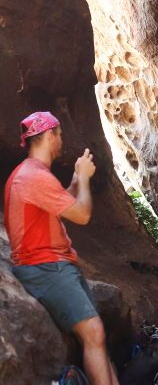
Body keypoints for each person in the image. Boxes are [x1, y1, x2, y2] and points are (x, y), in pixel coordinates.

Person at [3, 111, 119, 385]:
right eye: (60, 134)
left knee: (97, 335)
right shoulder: (33, 176)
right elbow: (81, 215)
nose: (62, 140)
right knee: (94, 332)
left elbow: (59, 204)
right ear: (49, 136)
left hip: (55, 264)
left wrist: (77, 179)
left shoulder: (32, 174)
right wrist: (86, 180)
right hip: (45, 267)